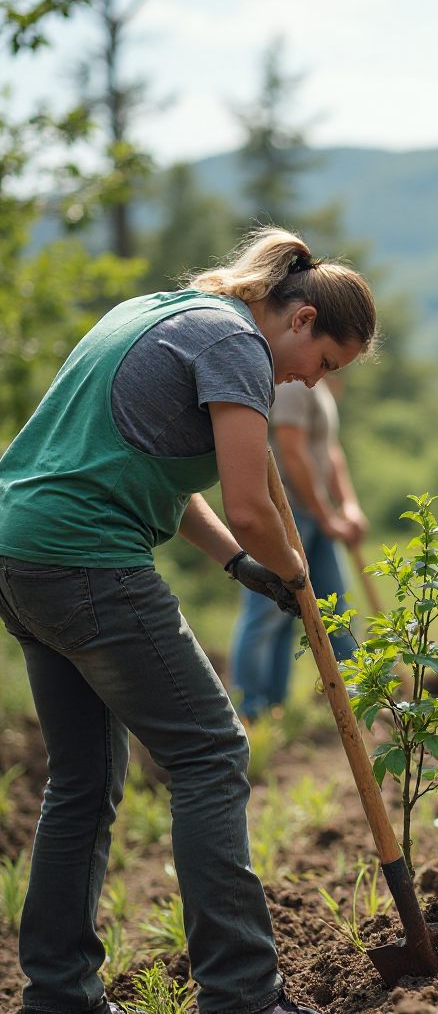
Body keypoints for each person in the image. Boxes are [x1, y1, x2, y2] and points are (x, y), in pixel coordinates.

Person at [0, 227, 376, 1014]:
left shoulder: (163, 312)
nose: (310, 384)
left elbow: (165, 478)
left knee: (82, 780)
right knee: (210, 754)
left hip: (20, 552)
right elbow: (252, 505)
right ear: (301, 319)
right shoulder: (237, 347)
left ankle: (59, 996)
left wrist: (240, 564)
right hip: (86, 560)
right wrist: (296, 572)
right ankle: (242, 994)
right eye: (325, 364)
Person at [231, 376, 367, 722]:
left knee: (336, 607)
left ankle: (363, 699)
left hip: (316, 516)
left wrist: (348, 505)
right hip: (288, 515)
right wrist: (326, 514)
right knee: (269, 611)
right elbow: (291, 451)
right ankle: (254, 712)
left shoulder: (320, 389)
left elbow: (331, 453)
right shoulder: (293, 387)